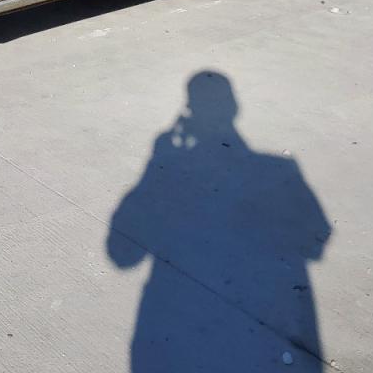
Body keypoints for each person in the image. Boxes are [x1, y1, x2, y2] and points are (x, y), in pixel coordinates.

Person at [107, 72, 330, 371]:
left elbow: (122, 254)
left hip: (174, 330)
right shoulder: (280, 170)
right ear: (235, 108)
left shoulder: (277, 170)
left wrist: (154, 169)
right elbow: (316, 240)